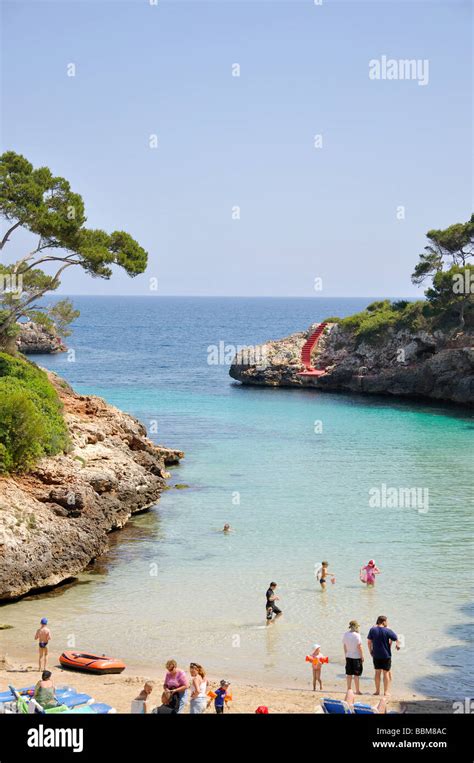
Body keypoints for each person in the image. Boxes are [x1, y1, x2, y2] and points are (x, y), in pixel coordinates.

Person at [367, 615, 400, 696]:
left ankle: (377, 691)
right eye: (386, 621)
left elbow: (369, 642)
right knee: (386, 673)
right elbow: (397, 639)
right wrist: (398, 645)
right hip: (386, 655)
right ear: (384, 621)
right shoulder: (388, 630)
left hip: (376, 655)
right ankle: (386, 692)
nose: (387, 623)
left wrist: (370, 651)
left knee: (377, 673)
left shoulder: (372, 630)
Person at [343, 620, 364, 694]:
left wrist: (346, 655)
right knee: (356, 675)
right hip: (356, 657)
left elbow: (345, 646)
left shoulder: (345, 634)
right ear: (355, 627)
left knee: (349, 674)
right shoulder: (357, 635)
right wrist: (362, 656)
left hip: (348, 656)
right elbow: (359, 646)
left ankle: (349, 689)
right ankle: (357, 690)